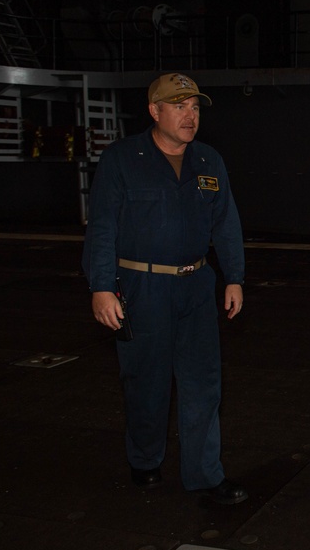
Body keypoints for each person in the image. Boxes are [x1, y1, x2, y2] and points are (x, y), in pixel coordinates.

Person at [82, 73, 248, 506]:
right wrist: (101, 288)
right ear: (155, 111)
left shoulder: (209, 161)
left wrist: (234, 277)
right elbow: (101, 228)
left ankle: (205, 475)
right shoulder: (122, 160)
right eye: (179, 106)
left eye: (194, 107)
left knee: (203, 384)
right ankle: (144, 459)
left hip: (196, 285)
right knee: (145, 381)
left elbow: (226, 224)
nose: (189, 116)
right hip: (141, 287)